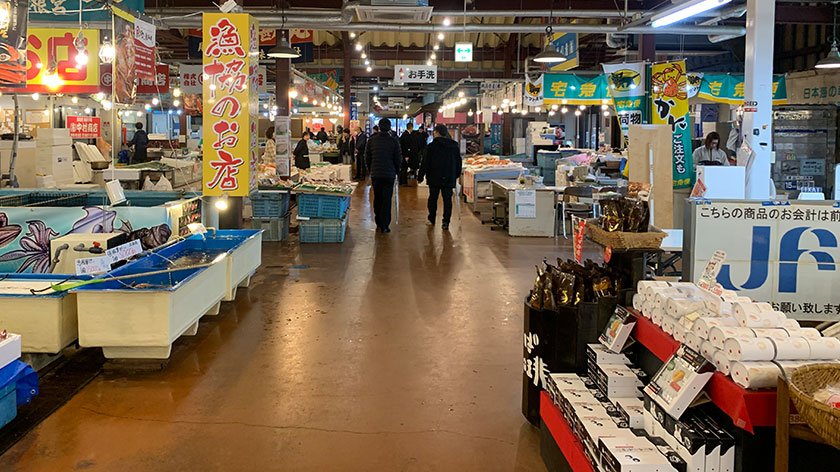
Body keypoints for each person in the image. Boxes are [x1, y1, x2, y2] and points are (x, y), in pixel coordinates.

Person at [418, 124, 462, 230]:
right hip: (449, 176)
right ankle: (446, 222)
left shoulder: (431, 147)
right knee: (447, 200)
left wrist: (420, 176)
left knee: (433, 198)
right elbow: (458, 162)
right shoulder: (454, 146)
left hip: (434, 176)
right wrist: (456, 174)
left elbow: (425, 163)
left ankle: (431, 219)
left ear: (437, 132)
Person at [365, 118, 402, 233]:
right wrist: (396, 171)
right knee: (387, 199)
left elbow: (367, 157)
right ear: (390, 127)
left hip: (376, 174)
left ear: (379, 127)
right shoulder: (394, 141)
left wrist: (371, 169)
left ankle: (378, 222)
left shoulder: (371, 140)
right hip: (389, 174)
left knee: (377, 197)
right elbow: (398, 158)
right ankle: (385, 225)